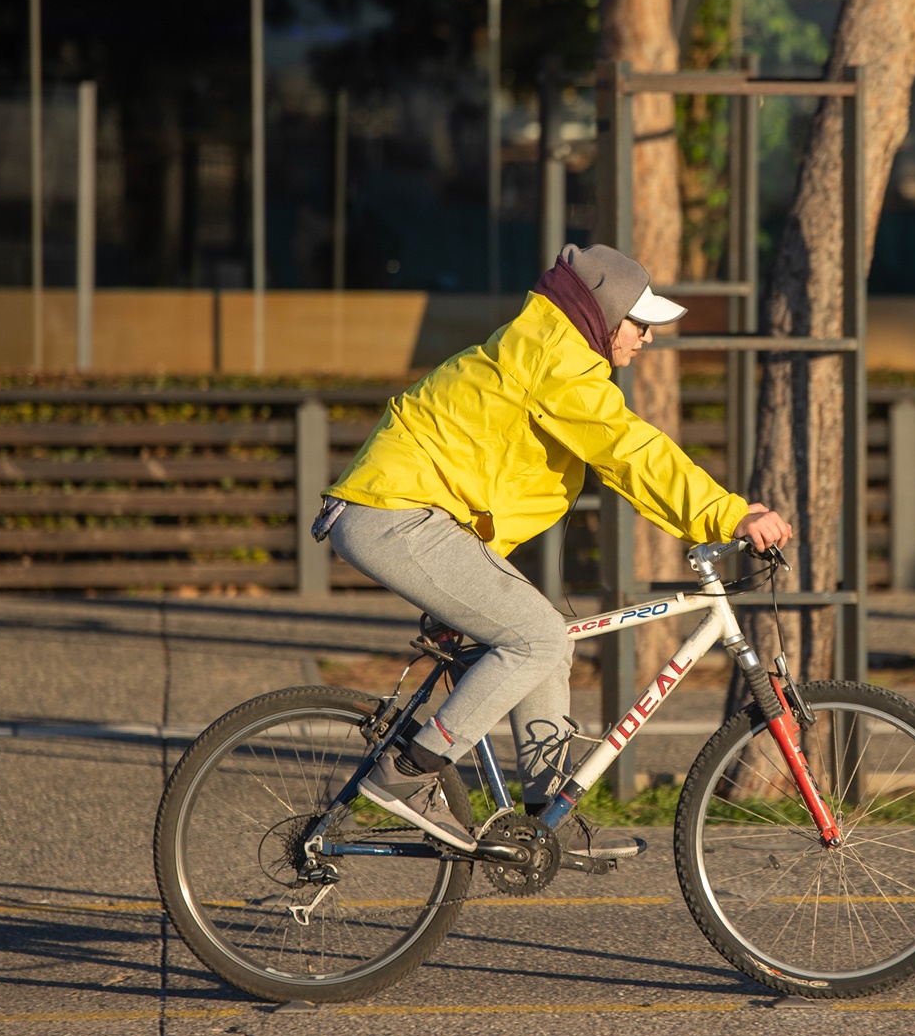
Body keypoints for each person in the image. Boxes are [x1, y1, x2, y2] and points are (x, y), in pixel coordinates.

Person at [313, 244, 794, 860]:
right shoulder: (557, 361)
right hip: (394, 515)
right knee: (537, 636)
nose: (648, 337)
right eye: (640, 323)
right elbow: (629, 452)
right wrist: (731, 514)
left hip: (419, 518)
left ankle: (543, 822)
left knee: (548, 640)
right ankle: (407, 775)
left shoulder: (549, 349)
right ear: (602, 316)